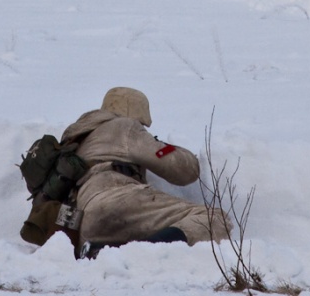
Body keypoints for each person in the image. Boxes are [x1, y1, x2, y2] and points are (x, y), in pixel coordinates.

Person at [58, 87, 230, 258]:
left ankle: (100, 250)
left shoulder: (78, 139)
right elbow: (184, 171)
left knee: (132, 239)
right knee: (215, 219)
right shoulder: (124, 126)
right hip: (117, 198)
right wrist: (170, 148)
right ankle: (147, 253)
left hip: (84, 220)